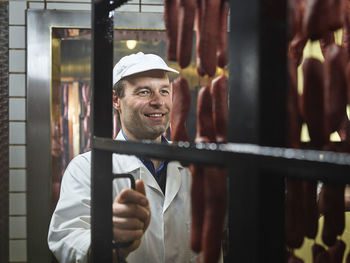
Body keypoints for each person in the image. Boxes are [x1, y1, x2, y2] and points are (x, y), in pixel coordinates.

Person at [48, 52, 198, 262]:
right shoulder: (86, 168)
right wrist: (106, 242)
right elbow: (67, 236)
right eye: (144, 92)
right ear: (116, 100)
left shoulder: (196, 164)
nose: (158, 102)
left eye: (164, 91)